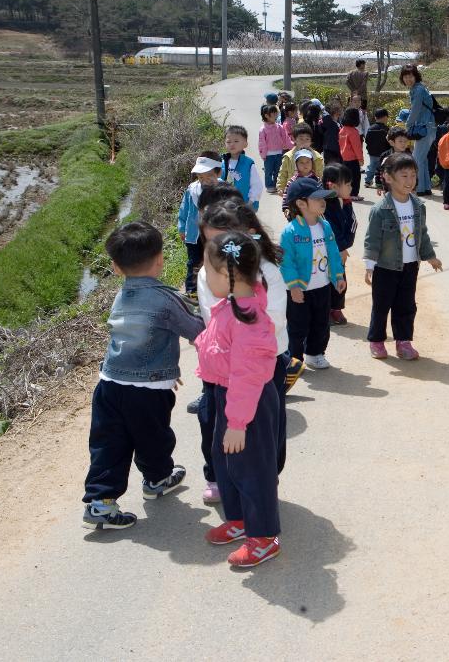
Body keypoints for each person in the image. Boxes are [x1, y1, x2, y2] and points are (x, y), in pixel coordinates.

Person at [82, 222, 202, 531]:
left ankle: (100, 504)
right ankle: (158, 478)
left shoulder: (121, 295)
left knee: (108, 444)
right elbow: (197, 331)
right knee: (153, 438)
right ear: (161, 259)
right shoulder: (165, 298)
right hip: (148, 390)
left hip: (109, 382)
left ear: (115, 267)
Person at [195, 200, 293, 502]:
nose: (217, 249)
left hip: (265, 360)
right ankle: (218, 475)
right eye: (210, 242)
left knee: (266, 426)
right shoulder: (208, 272)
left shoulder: (267, 272)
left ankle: (266, 477)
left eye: (223, 240)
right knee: (213, 420)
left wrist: (240, 336)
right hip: (221, 368)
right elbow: (210, 317)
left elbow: (273, 319)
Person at [196, 232, 282, 568]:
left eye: (208, 269)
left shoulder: (251, 321)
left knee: (252, 468)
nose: (201, 274)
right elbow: (218, 340)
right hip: (226, 396)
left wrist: (237, 423)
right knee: (226, 461)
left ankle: (263, 536)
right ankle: (239, 518)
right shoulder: (233, 305)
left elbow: (247, 376)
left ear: (231, 274)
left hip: (248, 406)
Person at [364, 152, 444, 359]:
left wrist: (430, 256)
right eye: (404, 176)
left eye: (413, 175)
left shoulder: (418, 206)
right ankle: (377, 340)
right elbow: (372, 239)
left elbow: (422, 234)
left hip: (410, 266)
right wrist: (369, 265)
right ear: (389, 177)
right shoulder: (380, 209)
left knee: (407, 305)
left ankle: (403, 341)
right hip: (386, 267)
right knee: (382, 306)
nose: (410, 181)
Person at [280, 178, 347, 370]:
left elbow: (333, 252)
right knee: (297, 326)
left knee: (320, 323)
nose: (323, 202)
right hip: (300, 289)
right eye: (317, 198)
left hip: (322, 286)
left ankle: (315, 354)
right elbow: (286, 262)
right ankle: (293, 359)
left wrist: (338, 276)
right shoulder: (290, 232)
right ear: (301, 203)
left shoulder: (324, 226)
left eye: (324, 198)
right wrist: (293, 287)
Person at [177, 151, 222, 299]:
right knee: (194, 262)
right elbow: (184, 210)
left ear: (218, 172)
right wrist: (182, 228)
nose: (204, 180)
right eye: (200, 177)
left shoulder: (224, 190)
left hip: (216, 236)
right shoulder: (192, 190)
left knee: (216, 261)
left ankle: (215, 289)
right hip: (194, 235)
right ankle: (192, 291)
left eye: (209, 176)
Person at [322, 164, 358, 326]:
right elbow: (330, 229)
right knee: (327, 279)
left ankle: (336, 308)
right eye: (348, 184)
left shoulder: (344, 201)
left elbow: (352, 223)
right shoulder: (325, 205)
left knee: (340, 278)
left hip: (340, 249)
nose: (351, 187)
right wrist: (341, 247)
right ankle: (325, 310)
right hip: (326, 251)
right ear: (334, 186)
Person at [402, 64, 437, 195]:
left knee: (416, 159)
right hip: (429, 127)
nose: (408, 79)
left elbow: (415, 110)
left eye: (410, 76)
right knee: (422, 159)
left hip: (424, 128)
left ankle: (420, 188)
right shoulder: (420, 88)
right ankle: (426, 187)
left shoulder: (418, 90)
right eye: (405, 76)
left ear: (415, 76)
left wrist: (407, 125)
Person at [220, 125, 265, 211]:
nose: (232, 144)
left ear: (245, 144)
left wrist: (250, 203)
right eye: (228, 142)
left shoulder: (248, 164)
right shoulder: (221, 163)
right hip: (225, 208)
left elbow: (256, 185)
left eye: (236, 141)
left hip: (245, 207)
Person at [258, 103, 292, 195]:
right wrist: (263, 155)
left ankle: (277, 185)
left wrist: (292, 146)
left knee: (278, 170)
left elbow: (286, 138)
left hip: (279, 153)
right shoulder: (263, 129)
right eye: (273, 114)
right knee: (268, 171)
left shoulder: (279, 127)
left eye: (276, 114)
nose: (276, 116)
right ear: (266, 116)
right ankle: (269, 186)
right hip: (268, 154)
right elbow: (262, 143)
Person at [276, 122, 314, 191]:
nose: (304, 142)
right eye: (301, 139)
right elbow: (283, 173)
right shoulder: (288, 157)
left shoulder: (317, 158)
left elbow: (320, 174)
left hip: (311, 191)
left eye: (307, 139)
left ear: (311, 141)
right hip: (292, 190)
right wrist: (280, 187)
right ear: (294, 139)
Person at [338, 107, 365, 200]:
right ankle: (354, 194)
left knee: (346, 177)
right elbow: (357, 147)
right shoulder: (353, 131)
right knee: (356, 177)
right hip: (353, 159)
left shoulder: (342, 130)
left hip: (344, 158)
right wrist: (361, 159)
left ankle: (346, 193)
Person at [280, 148, 317, 214]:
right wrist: (286, 207)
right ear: (296, 165)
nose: (305, 165)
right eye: (301, 162)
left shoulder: (316, 179)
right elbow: (287, 194)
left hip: (314, 211)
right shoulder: (293, 181)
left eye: (308, 162)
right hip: (298, 211)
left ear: (312, 163)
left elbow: (321, 194)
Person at [375, 128, 411, 194]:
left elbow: (413, 172)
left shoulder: (409, 157)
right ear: (392, 142)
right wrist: (379, 185)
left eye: (405, 141)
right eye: (400, 141)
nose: (403, 144)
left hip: (404, 187)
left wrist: (414, 187)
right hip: (389, 188)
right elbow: (379, 170)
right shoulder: (386, 156)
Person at [364, 107, 391, 188]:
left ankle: (368, 181)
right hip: (383, 153)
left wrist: (369, 148)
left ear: (375, 117)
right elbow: (388, 142)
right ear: (385, 117)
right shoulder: (386, 129)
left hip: (372, 152)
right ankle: (379, 182)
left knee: (371, 166)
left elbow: (367, 140)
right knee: (381, 168)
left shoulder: (370, 128)